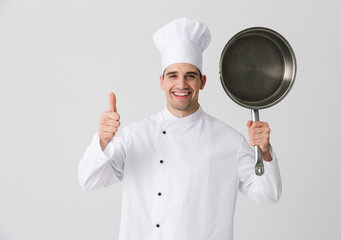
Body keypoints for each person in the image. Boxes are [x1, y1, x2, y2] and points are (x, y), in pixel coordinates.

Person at [79, 17, 281, 240]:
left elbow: (268, 194)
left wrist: (263, 152)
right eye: (173, 75)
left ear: (202, 82)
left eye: (190, 76)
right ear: (162, 81)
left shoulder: (229, 140)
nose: (181, 85)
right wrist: (102, 140)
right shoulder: (134, 136)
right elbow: (89, 181)